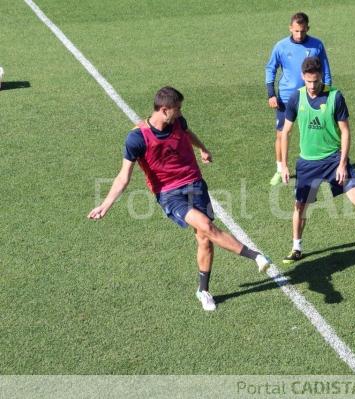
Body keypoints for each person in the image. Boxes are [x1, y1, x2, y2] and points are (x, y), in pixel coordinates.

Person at [88, 86, 271, 311]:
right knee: (206, 226)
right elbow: (123, 177)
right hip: (169, 193)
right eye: (177, 109)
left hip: (194, 183)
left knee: (204, 239)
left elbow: (187, 132)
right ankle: (257, 257)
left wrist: (202, 148)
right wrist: (105, 205)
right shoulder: (136, 138)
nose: (180, 112)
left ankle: (203, 291)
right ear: (164, 110)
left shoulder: (178, 122)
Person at [280, 57, 355, 263]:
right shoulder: (296, 99)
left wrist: (342, 164)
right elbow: (285, 132)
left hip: (333, 159)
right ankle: (296, 247)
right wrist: (284, 165)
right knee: (300, 207)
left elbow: (345, 132)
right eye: (308, 81)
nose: (312, 86)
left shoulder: (335, 96)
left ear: (321, 76)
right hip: (308, 163)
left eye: (315, 81)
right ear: (302, 78)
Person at [265, 12, 332, 186]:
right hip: (286, 98)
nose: (299, 35)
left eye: (302, 31)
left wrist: (327, 93)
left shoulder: (317, 45)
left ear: (307, 28)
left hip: (311, 96)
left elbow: (325, 69)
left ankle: (321, 168)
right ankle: (280, 169)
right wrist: (271, 93)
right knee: (281, 134)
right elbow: (270, 68)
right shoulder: (281, 46)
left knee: (315, 131)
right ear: (290, 28)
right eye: (296, 31)